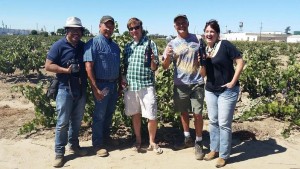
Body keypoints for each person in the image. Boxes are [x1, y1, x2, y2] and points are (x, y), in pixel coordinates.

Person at [45, 16, 88, 168]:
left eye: (78, 30)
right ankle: (59, 153)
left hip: (81, 88)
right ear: (67, 31)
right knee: (62, 122)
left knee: (76, 121)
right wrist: (65, 70)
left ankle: (74, 146)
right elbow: (48, 66)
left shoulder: (83, 46)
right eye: (73, 30)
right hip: (64, 88)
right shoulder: (59, 45)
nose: (76, 33)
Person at [162, 14, 206, 160]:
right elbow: (165, 66)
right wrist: (167, 57)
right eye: (178, 23)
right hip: (180, 84)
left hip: (197, 82)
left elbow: (205, 57)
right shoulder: (171, 44)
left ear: (188, 23)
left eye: (183, 22)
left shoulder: (198, 39)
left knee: (198, 113)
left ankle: (198, 141)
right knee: (183, 112)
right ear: (174, 26)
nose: (181, 25)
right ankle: (187, 138)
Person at [202, 19, 244, 168]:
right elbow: (204, 73)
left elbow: (240, 62)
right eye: (207, 31)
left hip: (228, 90)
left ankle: (224, 155)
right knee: (213, 121)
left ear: (217, 34)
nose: (209, 34)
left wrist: (233, 82)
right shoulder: (205, 49)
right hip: (211, 90)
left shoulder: (225, 45)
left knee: (224, 124)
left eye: (212, 31)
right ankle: (214, 149)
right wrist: (200, 63)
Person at [122, 17, 162, 155]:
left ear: (141, 27)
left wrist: (152, 60)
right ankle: (138, 141)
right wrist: (123, 78)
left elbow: (154, 67)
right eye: (131, 29)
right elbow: (125, 66)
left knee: (151, 114)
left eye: (136, 27)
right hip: (131, 86)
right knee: (135, 114)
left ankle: (152, 141)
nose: (134, 31)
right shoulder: (128, 46)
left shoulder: (150, 44)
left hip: (146, 85)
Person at [83, 15, 121, 157]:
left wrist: (120, 86)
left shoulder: (115, 46)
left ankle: (106, 138)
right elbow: (88, 67)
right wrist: (95, 88)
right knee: (99, 115)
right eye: (106, 26)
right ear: (100, 26)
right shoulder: (92, 43)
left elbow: (118, 67)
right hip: (101, 85)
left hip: (113, 85)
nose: (109, 29)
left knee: (109, 114)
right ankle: (98, 144)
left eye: (111, 26)